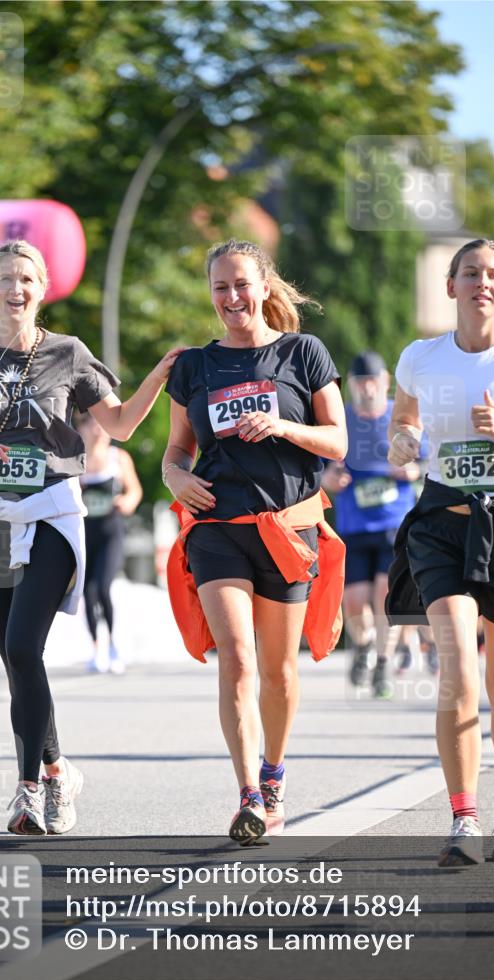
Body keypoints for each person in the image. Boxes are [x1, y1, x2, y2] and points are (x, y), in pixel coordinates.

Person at [0, 239, 182, 836]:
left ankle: (28, 792)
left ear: (43, 290)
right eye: (6, 278)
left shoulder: (68, 353)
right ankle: (60, 769)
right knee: (18, 662)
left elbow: (117, 424)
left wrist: (160, 377)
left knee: (22, 646)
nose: (17, 289)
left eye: (28, 279)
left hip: (52, 512)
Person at [162, 238, 347, 844]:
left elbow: (338, 442)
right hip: (218, 529)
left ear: (264, 286)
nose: (232, 297)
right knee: (236, 658)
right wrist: (174, 475)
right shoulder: (195, 366)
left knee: (278, 672)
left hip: (288, 531)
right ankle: (246, 794)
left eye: (242, 284)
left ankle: (273, 775)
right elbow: (175, 451)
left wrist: (283, 426)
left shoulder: (303, 353)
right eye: (220, 287)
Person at [387, 238, 494, 866]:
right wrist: (403, 441)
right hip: (442, 525)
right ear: (450, 286)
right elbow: (407, 423)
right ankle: (463, 817)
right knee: (458, 669)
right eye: (471, 272)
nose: (482, 282)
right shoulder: (421, 357)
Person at [321, 351, 432, 698]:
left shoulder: (398, 417)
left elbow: (427, 461)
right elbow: (322, 468)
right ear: (352, 387)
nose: (367, 388)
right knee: (354, 601)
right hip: (354, 525)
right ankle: (365, 646)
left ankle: (383, 663)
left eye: (373, 381)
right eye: (360, 382)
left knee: (386, 595)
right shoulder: (342, 419)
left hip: (394, 524)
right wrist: (329, 479)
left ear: (385, 382)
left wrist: (412, 471)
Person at [79, 414, 142, 674]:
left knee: (102, 586)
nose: (98, 430)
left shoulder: (118, 458)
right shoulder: (75, 460)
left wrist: (128, 501)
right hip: (85, 532)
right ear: (81, 428)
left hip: (111, 531)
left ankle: (115, 645)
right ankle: (97, 649)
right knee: (87, 591)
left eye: (101, 424)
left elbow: (135, 491)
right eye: (92, 424)